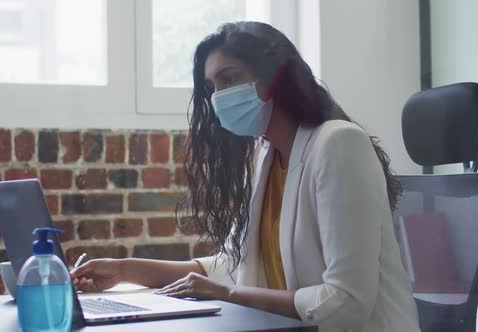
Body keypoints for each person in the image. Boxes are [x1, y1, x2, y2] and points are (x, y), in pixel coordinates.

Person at [71, 21, 420, 332]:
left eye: (229, 78)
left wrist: (229, 294)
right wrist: (124, 270)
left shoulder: (338, 143)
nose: (219, 96)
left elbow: (347, 302)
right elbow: (227, 266)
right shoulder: (265, 155)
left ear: (276, 76)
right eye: (212, 86)